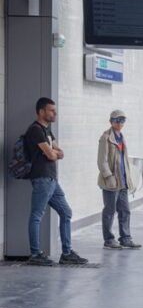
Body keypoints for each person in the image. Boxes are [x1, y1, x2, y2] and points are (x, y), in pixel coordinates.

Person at [25, 98, 88, 265]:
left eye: (55, 110)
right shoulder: (35, 131)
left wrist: (53, 152)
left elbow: (60, 152)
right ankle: (35, 254)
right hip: (42, 179)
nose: (55, 113)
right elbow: (53, 155)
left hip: (52, 180)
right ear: (41, 112)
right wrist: (53, 152)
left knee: (66, 212)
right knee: (37, 215)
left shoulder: (47, 131)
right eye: (51, 110)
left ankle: (66, 253)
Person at [97, 110, 141, 250]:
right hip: (111, 181)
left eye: (122, 120)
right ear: (111, 121)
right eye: (117, 120)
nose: (120, 123)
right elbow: (101, 161)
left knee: (125, 210)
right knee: (109, 210)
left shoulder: (121, 137)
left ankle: (125, 238)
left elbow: (123, 161)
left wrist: (129, 179)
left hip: (122, 181)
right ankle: (109, 240)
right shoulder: (106, 138)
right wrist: (108, 177)